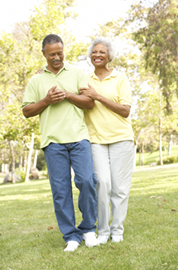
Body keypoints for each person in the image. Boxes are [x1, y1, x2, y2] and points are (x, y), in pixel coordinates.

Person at [22, 34, 98, 252]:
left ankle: (88, 229)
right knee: (61, 191)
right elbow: (27, 111)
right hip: (53, 143)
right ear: (44, 54)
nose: (57, 57)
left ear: (64, 51)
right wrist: (46, 101)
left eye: (60, 53)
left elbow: (90, 103)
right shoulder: (36, 80)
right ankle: (71, 236)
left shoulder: (76, 73)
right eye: (52, 54)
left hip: (78, 138)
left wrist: (67, 95)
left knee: (86, 181)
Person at [79, 37, 135, 244]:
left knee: (119, 187)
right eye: (94, 52)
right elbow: (61, 80)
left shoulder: (120, 78)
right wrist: (42, 72)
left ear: (109, 56)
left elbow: (125, 111)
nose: (97, 55)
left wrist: (98, 96)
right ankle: (102, 231)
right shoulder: (83, 79)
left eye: (102, 52)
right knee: (102, 183)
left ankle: (117, 230)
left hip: (121, 138)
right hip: (95, 140)